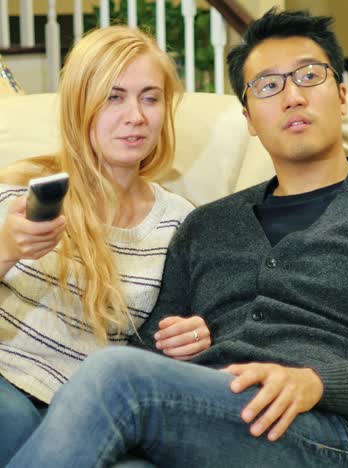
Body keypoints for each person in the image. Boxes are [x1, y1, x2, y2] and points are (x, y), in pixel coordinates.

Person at [7, 8, 348, 468]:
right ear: (248, 117)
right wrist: (178, 343)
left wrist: (318, 382)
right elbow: (149, 352)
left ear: (342, 95)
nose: (292, 97)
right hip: (206, 421)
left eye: (309, 76)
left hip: (326, 432)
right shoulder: (204, 226)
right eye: (268, 85)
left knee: (112, 375)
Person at [0, 26, 212, 466]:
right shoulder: (22, 190)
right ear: (81, 105)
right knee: (14, 422)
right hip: (6, 378)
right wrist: (4, 248)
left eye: (150, 98)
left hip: (94, 408)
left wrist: (195, 337)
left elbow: (160, 343)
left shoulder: (179, 221)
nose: (135, 115)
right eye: (113, 97)